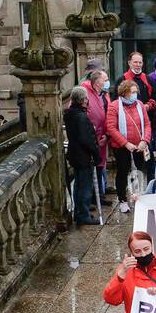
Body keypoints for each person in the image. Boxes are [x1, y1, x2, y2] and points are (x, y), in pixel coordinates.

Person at [106, 78, 152, 214]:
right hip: (121, 147)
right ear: (124, 93)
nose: (135, 94)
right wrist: (125, 143)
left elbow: (147, 124)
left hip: (139, 146)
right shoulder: (114, 106)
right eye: (132, 92)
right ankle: (122, 200)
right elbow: (111, 127)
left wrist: (145, 140)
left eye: (136, 92)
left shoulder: (140, 105)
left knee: (140, 170)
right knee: (123, 171)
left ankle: (138, 196)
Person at [64, 86, 100, 226]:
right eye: (86, 98)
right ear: (82, 100)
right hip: (83, 156)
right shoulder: (81, 116)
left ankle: (79, 212)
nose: (87, 100)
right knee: (84, 187)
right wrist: (96, 154)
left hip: (75, 154)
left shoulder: (70, 113)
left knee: (78, 185)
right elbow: (87, 140)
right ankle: (83, 215)